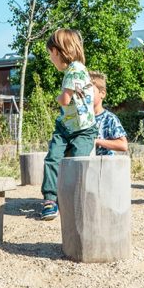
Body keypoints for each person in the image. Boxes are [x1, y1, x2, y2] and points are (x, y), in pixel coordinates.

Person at [40, 29, 96, 220]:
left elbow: (64, 99)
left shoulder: (74, 70)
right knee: (62, 160)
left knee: (63, 161)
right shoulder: (78, 69)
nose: (50, 59)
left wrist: (57, 97)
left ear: (57, 51)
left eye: (50, 54)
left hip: (83, 130)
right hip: (67, 127)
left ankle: (53, 199)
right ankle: (54, 199)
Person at [89, 71, 128, 156]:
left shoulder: (109, 119)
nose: (86, 95)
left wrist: (96, 141)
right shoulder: (80, 118)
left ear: (102, 94)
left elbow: (123, 145)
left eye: (90, 91)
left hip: (104, 166)